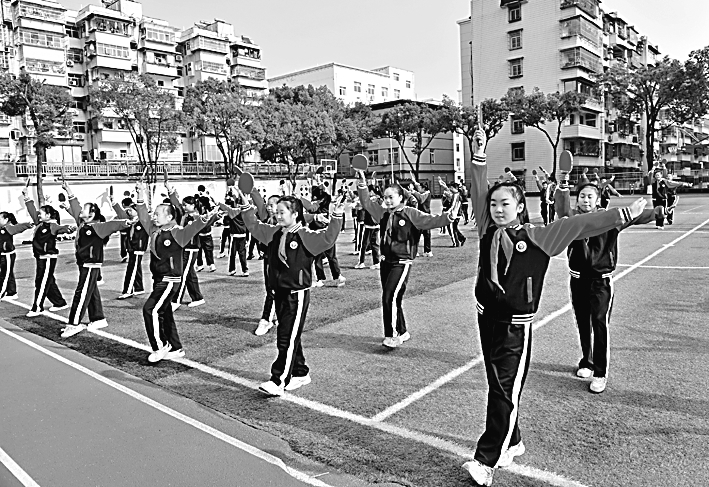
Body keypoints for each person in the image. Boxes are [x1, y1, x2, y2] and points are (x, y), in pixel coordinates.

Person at [461, 129, 648, 486]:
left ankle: (486, 461)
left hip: (516, 326)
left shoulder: (538, 237)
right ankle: (513, 441)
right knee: (499, 386)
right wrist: (479, 155)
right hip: (486, 318)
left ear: (520, 207)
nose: (498, 209)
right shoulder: (487, 228)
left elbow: (580, 224)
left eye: (506, 204)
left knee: (503, 389)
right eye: (494, 204)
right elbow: (477, 188)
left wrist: (623, 214)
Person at [555, 177, 659, 394]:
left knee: (599, 324)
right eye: (581, 196)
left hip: (601, 282)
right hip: (577, 280)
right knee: (582, 322)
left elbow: (635, 217)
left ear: (598, 200)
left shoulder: (610, 219)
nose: (585, 200)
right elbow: (561, 209)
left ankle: (600, 373)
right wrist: (563, 185)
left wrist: (658, 212)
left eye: (589, 196)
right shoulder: (572, 220)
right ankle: (587, 361)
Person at [242, 195, 344, 396]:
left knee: (285, 339)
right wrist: (246, 206)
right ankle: (300, 372)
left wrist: (337, 215)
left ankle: (278, 381)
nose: (277, 215)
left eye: (282, 212)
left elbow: (328, 238)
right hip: (279, 293)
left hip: (296, 295)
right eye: (276, 211)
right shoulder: (274, 233)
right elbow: (254, 226)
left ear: (295, 214)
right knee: (289, 335)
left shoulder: (305, 236)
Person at [357, 170, 457, 349]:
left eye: (391, 197)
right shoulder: (383, 213)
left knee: (389, 297)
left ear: (401, 197)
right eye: (385, 197)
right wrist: (363, 184)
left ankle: (392, 335)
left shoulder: (410, 213)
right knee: (394, 298)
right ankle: (402, 331)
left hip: (401, 262)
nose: (387, 201)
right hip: (385, 262)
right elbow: (366, 203)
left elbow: (431, 220)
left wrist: (449, 217)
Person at [134, 181, 218, 363]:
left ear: (170, 216)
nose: (154, 217)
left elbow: (195, 227)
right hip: (159, 279)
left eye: (158, 214)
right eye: (154, 214)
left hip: (170, 280)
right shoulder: (154, 230)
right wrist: (140, 193)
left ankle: (160, 346)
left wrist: (208, 216)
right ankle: (176, 347)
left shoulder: (178, 232)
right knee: (165, 312)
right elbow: (143, 215)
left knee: (150, 309)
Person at [59, 182, 131, 338]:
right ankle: (98, 318)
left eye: (85, 209)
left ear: (91, 213)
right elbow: (75, 206)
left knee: (81, 293)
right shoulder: (83, 224)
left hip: (91, 263)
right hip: (83, 262)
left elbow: (113, 225)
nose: (81, 210)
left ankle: (74, 324)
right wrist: (68, 190)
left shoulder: (98, 227)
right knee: (91, 291)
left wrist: (126, 222)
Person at [22, 188, 74, 317]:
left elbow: (61, 228)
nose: (39, 215)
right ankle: (59, 303)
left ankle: (37, 307)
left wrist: (69, 228)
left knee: (41, 282)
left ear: (49, 215)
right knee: (48, 280)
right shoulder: (40, 224)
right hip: (40, 257)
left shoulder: (52, 225)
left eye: (41, 213)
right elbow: (32, 210)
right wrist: (26, 197)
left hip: (48, 257)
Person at [168, 184, 210, 309]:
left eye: (186, 205)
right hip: (184, 247)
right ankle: (197, 298)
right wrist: (170, 192)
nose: (184, 207)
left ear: (193, 205)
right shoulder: (184, 215)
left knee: (182, 274)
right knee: (189, 274)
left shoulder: (198, 217)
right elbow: (176, 205)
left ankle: (176, 301)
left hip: (191, 248)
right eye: (183, 204)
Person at [250, 190, 280, 336]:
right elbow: (258, 202)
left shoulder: (285, 221)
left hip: (282, 260)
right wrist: (249, 189)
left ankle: (271, 318)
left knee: (279, 290)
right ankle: (270, 318)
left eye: (271, 205)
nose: (268, 207)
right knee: (272, 289)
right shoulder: (266, 218)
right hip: (269, 259)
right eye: (268, 204)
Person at [304, 186, 346, 288]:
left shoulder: (313, 204)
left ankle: (320, 279)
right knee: (330, 257)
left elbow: (310, 208)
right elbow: (327, 195)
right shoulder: (325, 200)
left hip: (317, 233)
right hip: (325, 231)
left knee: (318, 258)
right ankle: (337, 276)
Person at [111, 196, 148, 300]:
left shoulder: (143, 221)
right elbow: (121, 214)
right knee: (136, 268)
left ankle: (128, 291)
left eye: (131, 210)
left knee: (131, 269)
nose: (129, 212)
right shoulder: (131, 221)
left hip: (138, 248)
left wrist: (140, 195)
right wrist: (114, 203)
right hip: (132, 248)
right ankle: (139, 288)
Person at [0, 211, 32, 300]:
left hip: (7, 255)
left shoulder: (9, 228)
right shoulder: (1, 228)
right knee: (8, 273)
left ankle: (1, 292)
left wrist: (28, 225)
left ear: (6, 219)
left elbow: (18, 227)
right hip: (2, 254)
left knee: (4, 275)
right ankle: (12, 292)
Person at [223, 185, 250, 277]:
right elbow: (246, 203)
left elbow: (224, 205)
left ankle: (232, 269)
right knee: (242, 254)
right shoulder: (245, 212)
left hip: (234, 236)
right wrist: (239, 192)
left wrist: (234, 190)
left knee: (232, 254)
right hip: (243, 235)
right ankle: (245, 270)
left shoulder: (232, 213)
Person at [354, 185, 381, 270]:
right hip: (377, 225)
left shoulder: (369, 200)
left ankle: (361, 262)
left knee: (363, 245)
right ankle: (376, 262)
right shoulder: (380, 200)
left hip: (369, 225)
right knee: (375, 245)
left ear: (371, 191)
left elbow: (359, 207)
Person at [409, 177, 433, 257]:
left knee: (423, 234)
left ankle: (427, 251)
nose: (418, 189)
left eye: (420, 188)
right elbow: (418, 186)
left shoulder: (426, 193)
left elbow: (421, 199)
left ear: (424, 188)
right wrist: (414, 181)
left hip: (424, 216)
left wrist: (413, 191)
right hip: (422, 216)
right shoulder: (425, 191)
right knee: (419, 234)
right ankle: (421, 251)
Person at [439, 178, 466, 247]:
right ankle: (461, 238)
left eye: (451, 187)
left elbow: (453, 205)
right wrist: (442, 183)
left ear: (454, 188)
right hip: (457, 213)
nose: (450, 189)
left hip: (455, 214)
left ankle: (456, 242)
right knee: (455, 228)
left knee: (452, 229)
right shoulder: (457, 194)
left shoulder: (455, 195)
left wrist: (448, 211)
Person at [196, 184, 217, 272]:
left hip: (200, 232)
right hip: (206, 232)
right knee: (208, 249)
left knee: (199, 249)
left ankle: (200, 264)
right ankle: (210, 264)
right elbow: (214, 207)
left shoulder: (198, 201)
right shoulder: (207, 199)